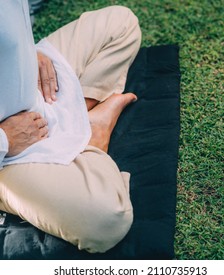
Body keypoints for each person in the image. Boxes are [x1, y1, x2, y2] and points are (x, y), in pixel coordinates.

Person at [0, 1, 141, 253]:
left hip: (37, 91)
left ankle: (84, 116)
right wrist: (6, 139)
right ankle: (91, 140)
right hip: (8, 154)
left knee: (121, 23)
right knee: (106, 221)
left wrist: (28, 54)